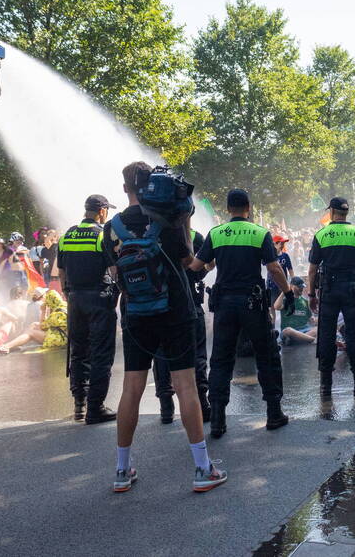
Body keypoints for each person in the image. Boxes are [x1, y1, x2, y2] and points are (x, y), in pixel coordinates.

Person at [106, 161, 225, 493]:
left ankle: (121, 469)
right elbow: (189, 261)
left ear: (126, 187)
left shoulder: (112, 227)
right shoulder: (171, 219)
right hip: (175, 310)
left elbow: (116, 273)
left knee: (131, 388)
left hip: (135, 315)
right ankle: (202, 469)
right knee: (185, 385)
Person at [190, 187, 293, 439]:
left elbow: (195, 265)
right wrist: (288, 292)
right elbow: (274, 268)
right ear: (249, 207)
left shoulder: (216, 234)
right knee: (266, 356)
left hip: (224, 305)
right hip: (253, 304)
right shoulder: (259, 233)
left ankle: (217, 421)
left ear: (228, 209)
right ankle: (273, 413)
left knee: (221, 360)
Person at [58, 194, 119, 424]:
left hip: (74, 299)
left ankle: (79, 406)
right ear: (102, 211)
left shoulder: (67, 235)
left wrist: (69, 295)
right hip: (98, 299)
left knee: (79, 352)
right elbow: (114, 270)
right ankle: (96, 408)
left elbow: (61, 271)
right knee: (101, 353)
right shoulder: (102, 235)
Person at [307, 197, 355, 398]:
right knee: (354, 335)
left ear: (332, 212)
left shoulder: (322, 234)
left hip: (328, 290)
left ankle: (325, 385)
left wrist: (311, 294)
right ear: (346, 213)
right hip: (352, 289)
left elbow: (312, 270)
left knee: (326, 336)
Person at [154, 227, 211, 424]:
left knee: (161, 355)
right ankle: (202, 403)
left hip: (157, 304)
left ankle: (166, 408)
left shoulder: (149, 232)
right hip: (189, 303)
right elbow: (204, 267)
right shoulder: (195, 236)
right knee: (197, 354)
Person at [0, 290, 67, 352]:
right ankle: (18, 343)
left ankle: (7, 346)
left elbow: (43, 326)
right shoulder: (65, 306)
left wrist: (43, 311)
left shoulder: (56, 313)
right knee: (34, 324)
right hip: (64, 335)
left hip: (58, 340)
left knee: (30, 332)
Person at [276, 276, 316, 345]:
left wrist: (314, 319)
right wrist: (285, 291)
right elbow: (276, 306)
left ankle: (299, 340)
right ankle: (313, 340)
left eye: (302, 286)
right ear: (292, 286)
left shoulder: (305, 301)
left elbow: (311, 320)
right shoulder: (286, 300)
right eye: (299, 286)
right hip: (291, 332)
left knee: (318, 329)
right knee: (287, 331)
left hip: (304, 331)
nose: (302, 288)